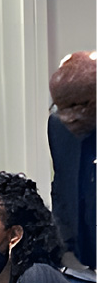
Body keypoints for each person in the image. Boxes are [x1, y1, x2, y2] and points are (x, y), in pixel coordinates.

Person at [47, 52, 96, 271]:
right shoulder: (58, 126)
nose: (70, 117)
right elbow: (63, 184)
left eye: (77, 107)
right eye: (62, 107)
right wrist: (64, 246)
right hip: (76, 252)